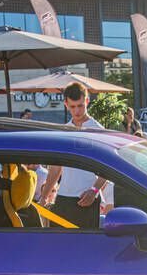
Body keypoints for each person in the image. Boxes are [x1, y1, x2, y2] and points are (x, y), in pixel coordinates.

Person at [38, 82, 109, 229]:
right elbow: (55, 169)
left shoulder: (98, 131)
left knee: (86, 243)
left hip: (87, 198)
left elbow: (108, 168)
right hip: (63, 198)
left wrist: (94, 191)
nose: (77, 111)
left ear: (87, 101)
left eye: (80, 106)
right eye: (72, 106)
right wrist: (44, 197)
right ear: (66, 104)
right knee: (59, 242)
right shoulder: (64, 132)